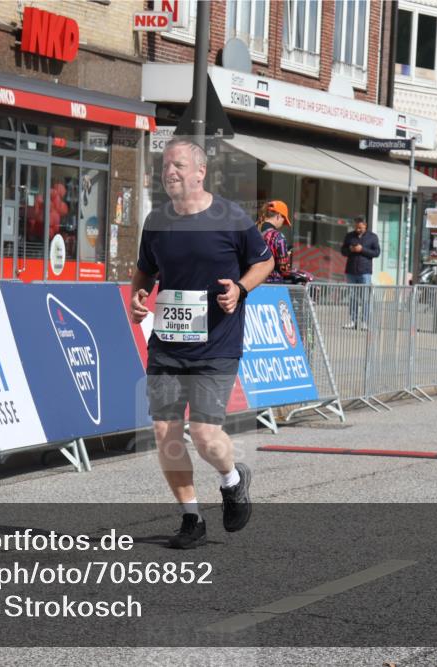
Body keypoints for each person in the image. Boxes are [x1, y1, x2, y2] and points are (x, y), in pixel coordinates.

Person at [130, 138, 274, 549]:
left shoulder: (230, 218)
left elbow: (264, 261)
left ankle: (232, 480)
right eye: (164, 167)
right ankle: (191, 518)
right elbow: (144, 272)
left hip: (216, 345)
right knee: (165, 432)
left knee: (206, 434)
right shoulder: (157, 221)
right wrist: (137, 300)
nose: (169, 172)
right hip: (167, 346)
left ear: (200, 172)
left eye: (177, 165)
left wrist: (241, 289)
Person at [258, 200, 313, 284]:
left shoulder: (254, 231)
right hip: (273, 286)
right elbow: (284, 269)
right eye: (283, 220)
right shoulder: (277, 237)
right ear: (278, 216)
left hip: (253, 284)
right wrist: (286, 255)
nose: (282, 223)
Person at [340, 216, 380, 328]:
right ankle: (353, 320)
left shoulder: (372, 237)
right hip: (351, 271)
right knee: (353, 297)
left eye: (360, 228)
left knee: (365, 297)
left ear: (365, 226)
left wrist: (362, 249)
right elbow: (343, 251)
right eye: (356, 227)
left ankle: (365, 322)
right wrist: (350, 250)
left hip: (365, 271)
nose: (358, 230)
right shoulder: (349, 236)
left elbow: (376, 252)